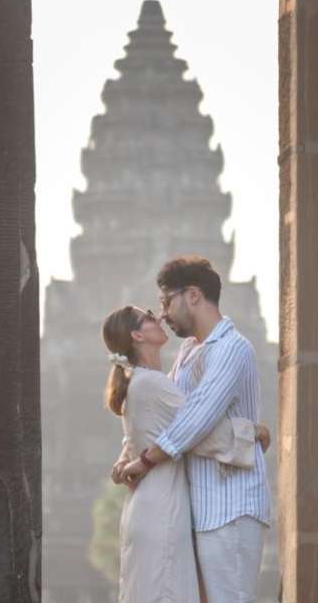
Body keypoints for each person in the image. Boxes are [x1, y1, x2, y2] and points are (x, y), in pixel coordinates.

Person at [117, 256, 272, 603]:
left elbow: (198, 416)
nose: (163, 315)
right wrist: (126, 453)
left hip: (231, 505)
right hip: (196, 506)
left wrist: (146, 459)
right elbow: (168, 413)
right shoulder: (189, 351)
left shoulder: (232, 348)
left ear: (192, 295)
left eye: (165, 302)